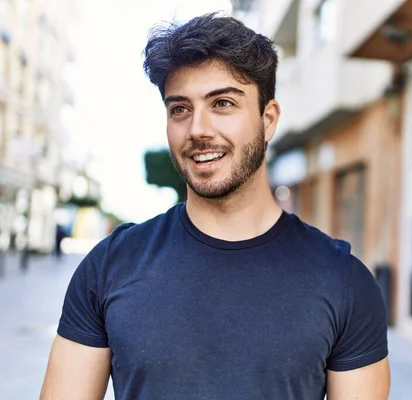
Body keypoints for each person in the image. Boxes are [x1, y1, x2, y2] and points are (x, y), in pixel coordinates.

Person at [40, 12, 390, 400]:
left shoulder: (343, 281)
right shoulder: (109, 265)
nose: (198, 130)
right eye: (180, 109)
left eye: (222, 103)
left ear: (268, 119)